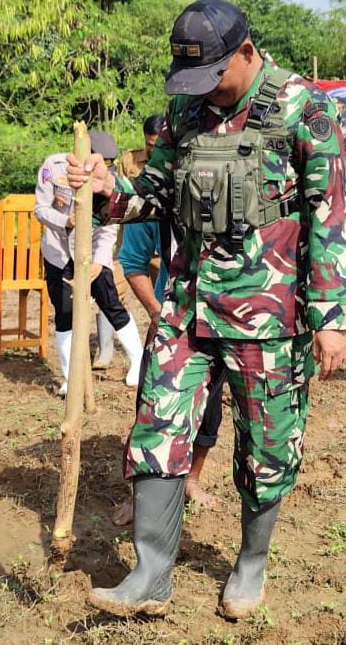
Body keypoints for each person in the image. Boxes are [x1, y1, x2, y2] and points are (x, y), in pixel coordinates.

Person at [66, 0, 346, 620]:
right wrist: (107, 189)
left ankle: (250, 564)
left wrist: (330, 317)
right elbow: (155, 193)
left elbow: (329, 217)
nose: (206, 93)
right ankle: (150, 574)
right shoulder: (185, 111)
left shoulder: (308, 109)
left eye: (214, 77)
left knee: (267, 445)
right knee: (158, 428)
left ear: (247, 52)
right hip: (188, 305)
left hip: (269, 316)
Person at [113, 113, 225, 526]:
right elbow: (132, 264)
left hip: (224, 320)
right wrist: (161, 314)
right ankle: (139, 496)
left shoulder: (227, 190)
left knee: (210, 411)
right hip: (173, 319)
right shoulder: (154, 202)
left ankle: (192, 479)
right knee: (151, 408)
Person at [34, 131, 144, 396]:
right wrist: (66, 221)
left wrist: (99, 262)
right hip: (59, 253)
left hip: (92, 256)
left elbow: (109, 227)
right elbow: (40, 208)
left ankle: (139, 362)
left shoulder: (108, 181)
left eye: (106, 163)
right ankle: (71, 378)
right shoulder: (54, 167)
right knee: (64, 313)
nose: (101, 167)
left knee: (111, 304)